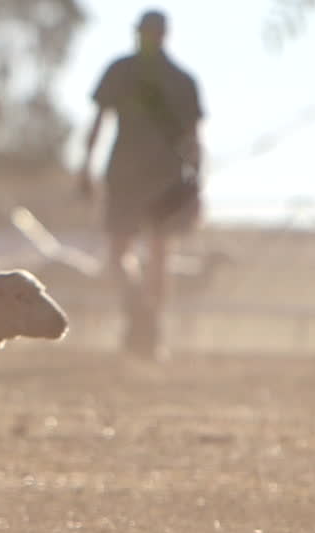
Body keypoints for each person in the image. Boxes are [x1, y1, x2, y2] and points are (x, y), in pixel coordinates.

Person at [78, 9, 204, 357]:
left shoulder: (127, 71)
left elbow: (194, 138)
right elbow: (194, 140)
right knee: (143, 254)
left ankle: (145, 323)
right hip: (151, 178)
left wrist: (86, 168)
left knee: (139, 254)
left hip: (139, 177)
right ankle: (145, 319)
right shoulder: (178, 79)